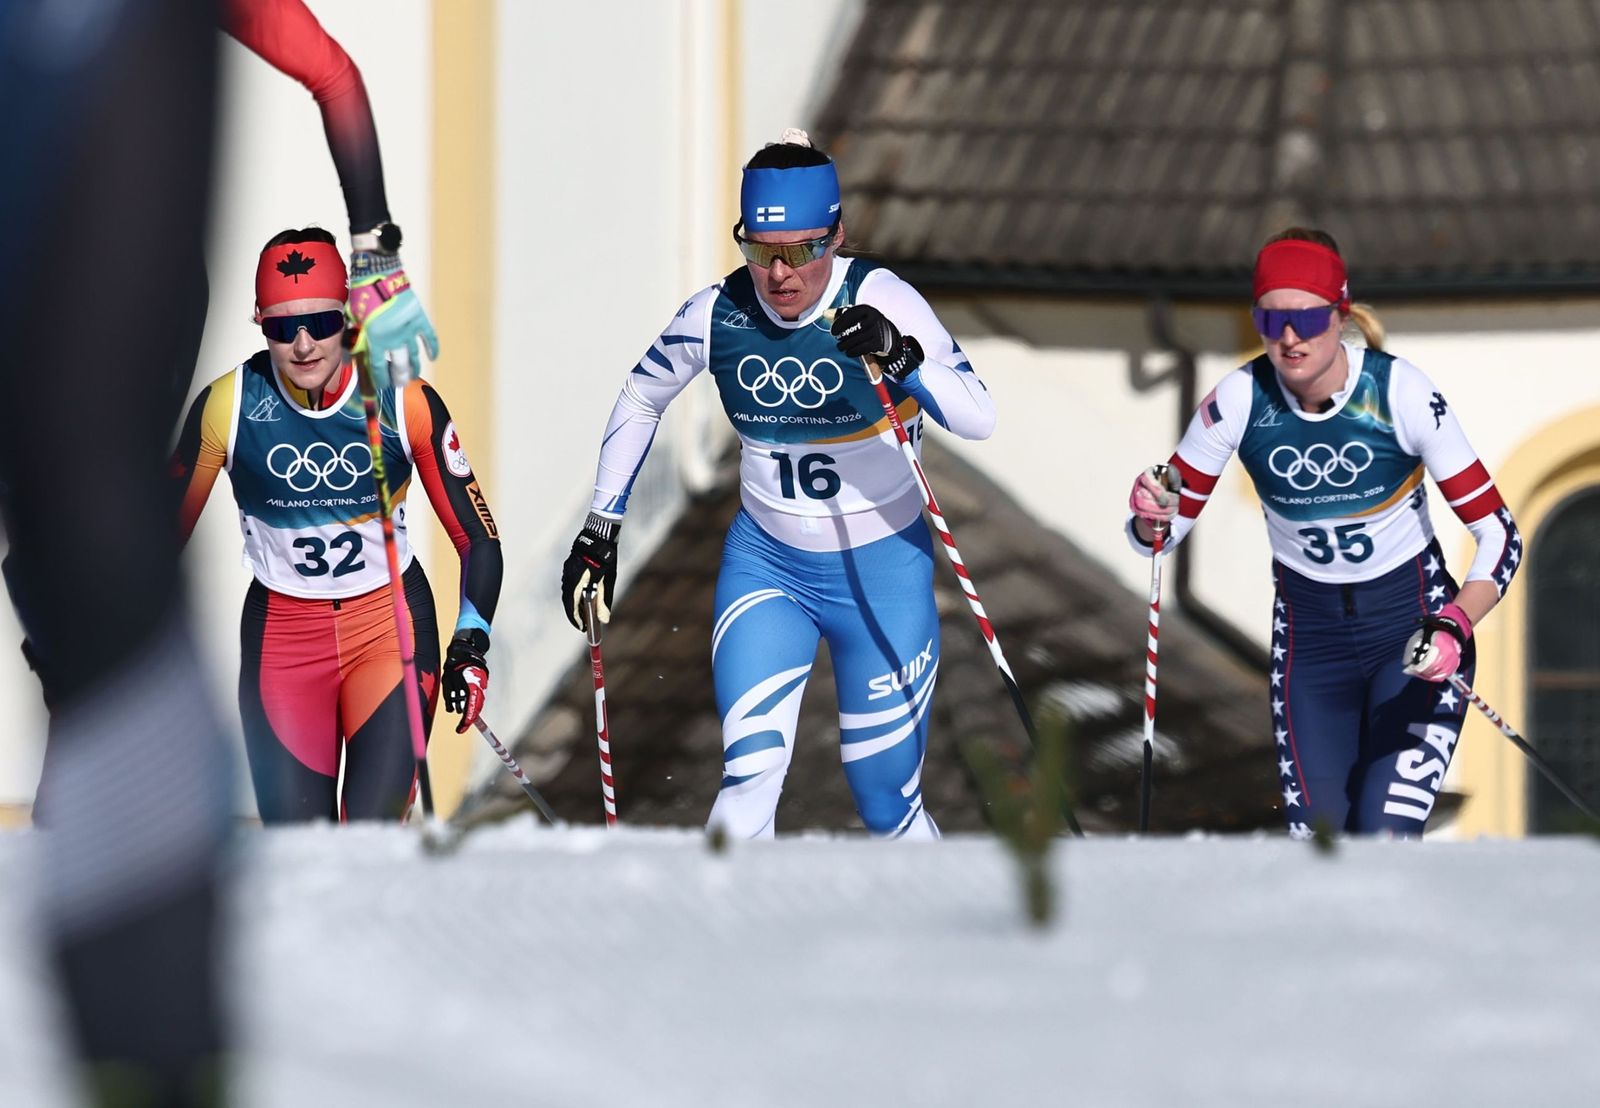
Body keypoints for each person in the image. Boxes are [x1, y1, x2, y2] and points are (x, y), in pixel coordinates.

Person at [560, 129, 997, 839]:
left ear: (838, 236)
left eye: (802, 250)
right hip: (769, 569)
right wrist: (601, 527)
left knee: (886, 800)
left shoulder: (882, 297)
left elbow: (979, 417)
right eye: (761, 252)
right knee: (749, 776)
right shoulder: (717, 314)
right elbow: (641, 397)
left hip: (881, 573)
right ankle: (729, 941)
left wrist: (901, 356)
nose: (781, 274)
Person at [1126, 227, 1522, 838]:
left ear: (1340, 314)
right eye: (1269, 317)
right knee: (1324, 855)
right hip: (1311, 652)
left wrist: (1455, 623)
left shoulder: (1399, 392)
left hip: (1412, 637)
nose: (1288, 337)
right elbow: (1161, 532)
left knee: (1382, 839)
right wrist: (1149, 515)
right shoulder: (1239, 399)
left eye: (1308, 319)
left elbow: (1499, 535)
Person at [171, 228, 502, 822]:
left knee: (366, 847)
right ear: (259, 322)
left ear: (347, 316)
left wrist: (472, 641)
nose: (302, 345)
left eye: (321, 323)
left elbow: (477, 537)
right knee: (301, 857)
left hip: (389, 632)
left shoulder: (403, 399)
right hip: (283, 645)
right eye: (281, 327)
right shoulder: (229, 405)